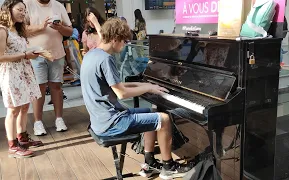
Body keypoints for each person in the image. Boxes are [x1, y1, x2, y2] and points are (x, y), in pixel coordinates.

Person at [80, 18, 192, 179]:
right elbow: (122, 94)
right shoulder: (105, 59)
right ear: (114, 39)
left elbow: (119, 86)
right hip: (111, 123)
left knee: (150, 111)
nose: (125, 45)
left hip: (100, 119)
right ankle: (169, 166)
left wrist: (148, 86)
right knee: (165, 119)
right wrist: (148, 87)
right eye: (124, 41)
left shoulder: (92, 55)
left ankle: (149, 163)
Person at [0, 0, 43, 158]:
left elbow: (21, 50)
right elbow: (1, 57)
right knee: (13, 109)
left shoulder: (18, 30)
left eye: (24, 10)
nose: (23, 13)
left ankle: (22, 139)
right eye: (20, 9)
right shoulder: (2, 30)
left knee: (25, 106)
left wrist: (34, 52)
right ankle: (12, 145)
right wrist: (25, 55)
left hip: (24, 71)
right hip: (11, 73)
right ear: (9, 9)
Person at [24, 0, 73, 136]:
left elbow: (70, 30)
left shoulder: (58, 5)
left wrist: (60, 28)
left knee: (56, 87)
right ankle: (37, 122)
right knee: (39, 88)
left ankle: (59, 119)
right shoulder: (27, 4)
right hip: (36, 54)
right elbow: (21, 30)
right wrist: (41, 27)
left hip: (57, 53)